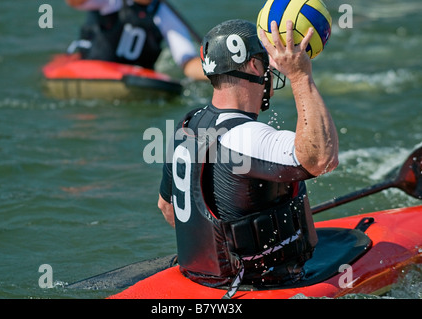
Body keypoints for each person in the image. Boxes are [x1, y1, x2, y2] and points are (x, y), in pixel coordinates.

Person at [157, 18, 338, 297]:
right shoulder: (246, 137)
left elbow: (167, 208)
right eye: (266, 62)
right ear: (255, 66)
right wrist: (301, 76)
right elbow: (321, 159)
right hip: (260, 285)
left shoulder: (187, 125)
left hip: (200, 279)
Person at [65, 0, 206, 80]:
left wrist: (216, 73)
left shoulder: (165, 13)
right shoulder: (112, 2)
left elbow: (188, 63)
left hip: (135, 78)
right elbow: (74, 2)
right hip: (94, 67)